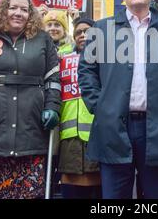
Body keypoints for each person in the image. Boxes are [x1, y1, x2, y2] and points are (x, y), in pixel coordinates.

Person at [78, 0, 158, 199]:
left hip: (157, 127)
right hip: (114, 127)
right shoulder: (101, 28)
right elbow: (86, 71)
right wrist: (100, 106)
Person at [0, 0, 61, 199]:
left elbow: (53, 78)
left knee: (32, 194)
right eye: (13, 7)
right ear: (4, 10)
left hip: (32, 129)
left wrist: (52, 107)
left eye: (24, 9)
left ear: (31, 14)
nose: (18, 13)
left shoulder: (43, 40)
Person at [57, 17, 102, 199]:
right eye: (78, 32)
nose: (83, 35)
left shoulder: (107, 57)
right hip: (69, 137)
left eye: (88, 31)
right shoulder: (61, 57)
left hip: (98, 133)